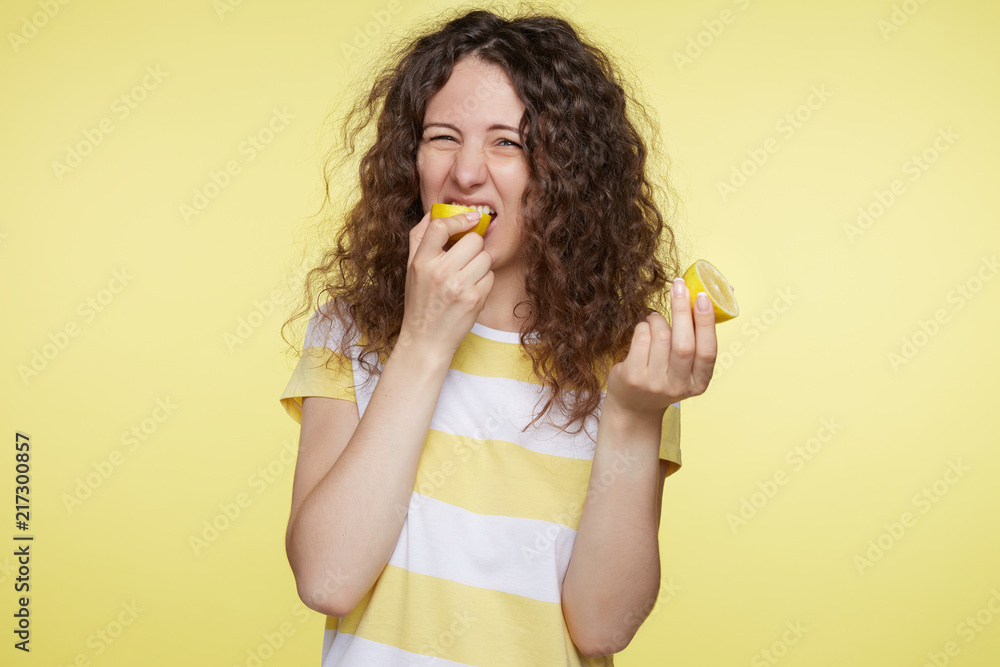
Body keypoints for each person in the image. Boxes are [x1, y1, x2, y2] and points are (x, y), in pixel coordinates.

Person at [278, 8, 718, 666]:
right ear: (410, 157)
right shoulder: (351, 330)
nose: (465, 173)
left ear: (566, 171)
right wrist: (423, 343)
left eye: (507, 143)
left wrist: (632, 419)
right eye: (442, 137)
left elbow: (602, 627)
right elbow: (326, 579)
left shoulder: (630, 365)